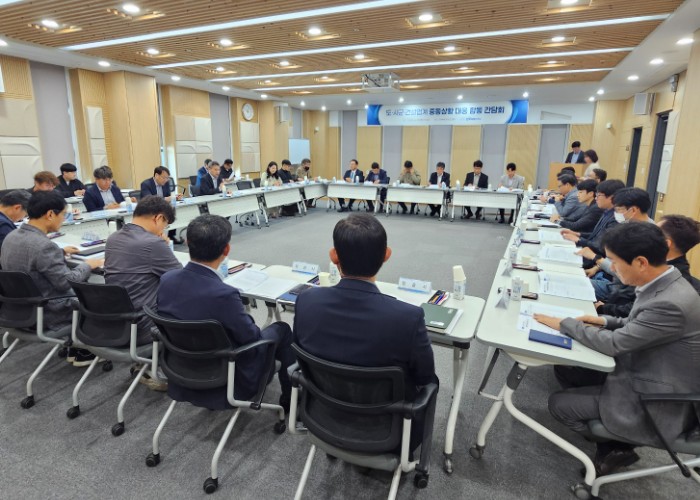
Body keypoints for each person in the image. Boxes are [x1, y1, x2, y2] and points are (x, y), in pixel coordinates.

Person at [535, 223, 700, 476]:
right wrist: (602, 321)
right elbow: (637, 323)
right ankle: (612, 441)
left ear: (641, 262)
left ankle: (617, 446)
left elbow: (615, 344)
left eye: (614, 262)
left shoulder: (671, 303)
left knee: (559, 405)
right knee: (570, 370)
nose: (611, 268)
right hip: (645, 369)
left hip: (657, 399)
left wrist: (565, 324)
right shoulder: (667, 280)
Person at [293, 213, 437, 449]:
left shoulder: (306, 301)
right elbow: (424, 377)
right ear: (386, 255)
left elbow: (300, 354)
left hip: (322, 414)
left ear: (333, 256)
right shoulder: (407, 317)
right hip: (387, 430)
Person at [157, 214, 295, 411]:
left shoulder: (167, 280)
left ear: (187, 242)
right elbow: (251, 339)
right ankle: (291, 401)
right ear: (226, 249)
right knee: (282, 328)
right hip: (229, 376)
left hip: (180, 367)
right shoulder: (224, 295)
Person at [0, 191, 103, 366]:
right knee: (96, 293)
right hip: (49, 312)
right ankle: (85, 350)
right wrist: (88, 265)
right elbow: (66, 282)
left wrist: (60, 252)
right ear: (50, 214)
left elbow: (31, 258)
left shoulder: (11, 237)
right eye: (63, 214)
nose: (63, 219)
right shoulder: (45, 246)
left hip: (18, 309)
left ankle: (77, 346)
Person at [105, 195, 182, 347]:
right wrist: (164, 246)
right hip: (144, 327)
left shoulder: (113, 238)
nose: (163, 231)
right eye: (165, 225)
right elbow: (182, 279)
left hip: (115, 324)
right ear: (158, 218)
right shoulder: (153, 243)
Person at [561, 179, 625, 263]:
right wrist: (578, 234)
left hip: (596, 258)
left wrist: (578, 240)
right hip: (589, 252)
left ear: (611, 197)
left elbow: (600, 246)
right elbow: (596, 235)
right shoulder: (607, 211)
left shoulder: (616, 218)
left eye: (598, 195)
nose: (596, 198)